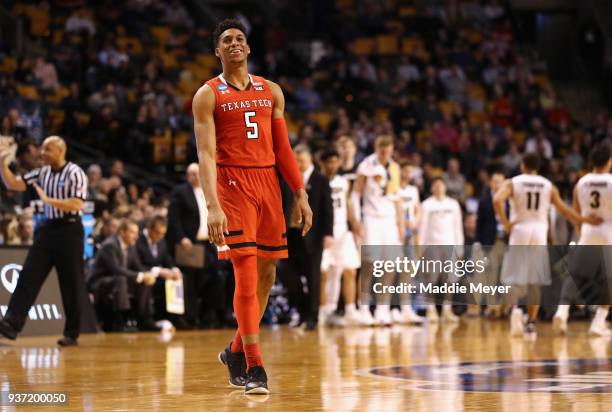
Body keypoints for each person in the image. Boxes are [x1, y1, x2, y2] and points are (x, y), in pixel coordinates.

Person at [191, 19, 312, 394]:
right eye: (225, 40)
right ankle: (255, 367)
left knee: (266, 276)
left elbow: (283, 149)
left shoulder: (271, 91)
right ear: (217, 51)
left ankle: (234, 350)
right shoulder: (207, 95)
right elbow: (207, 154)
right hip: (232, 184)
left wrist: (300, 192)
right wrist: (212, 206)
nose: (233, 44)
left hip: (268, 186)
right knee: (245, 272)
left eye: (239, 39)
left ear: (248, 47)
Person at [494, 153, 602, 337]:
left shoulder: (512, 182)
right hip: (539, 231)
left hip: (520, 229)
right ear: (538, 167)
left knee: (514, 277)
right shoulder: (547, 185)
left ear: (522, 165)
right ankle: (530, 322)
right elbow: (564, 210)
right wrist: (584, 219)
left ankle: (516, 311)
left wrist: (505, 223)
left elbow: (497, 200)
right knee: (535, 281)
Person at [0, 136, 88, 346]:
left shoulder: (75, 173)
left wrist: (50, 201)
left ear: (60, 151)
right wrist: (2, 162)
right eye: (42, 149)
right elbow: (13, 183)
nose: (42, 153)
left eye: (47, 149)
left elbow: (77, 204)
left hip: (70, 229)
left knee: (71, 283)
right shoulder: (42, 173)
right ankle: (11, 325)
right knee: (29, 275)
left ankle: (72, 333)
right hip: (48, 229)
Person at [553, 144, 611, 336]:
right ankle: (598, 322)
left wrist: (581, 230)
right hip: (608, 231)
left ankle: (562, 312)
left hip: (587, 231)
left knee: (575, 274)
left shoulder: (581, 182)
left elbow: (576, 213)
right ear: (609, 161)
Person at [166, 163, 230, 328]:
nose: (193, 177)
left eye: (196, 173)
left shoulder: (208, 191)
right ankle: (190, 318)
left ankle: (209, 316)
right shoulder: (180, 192)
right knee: (191, 282)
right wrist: (181, 238)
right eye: (190, 174)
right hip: (190, 244)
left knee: (214, 277)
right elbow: (173, 218)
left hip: (209, 243)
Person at [351, 135, 404, 326]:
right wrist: (357, 220)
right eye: (382, 150)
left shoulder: (395, 167)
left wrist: (400, 224)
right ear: (376, 148)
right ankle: (364, 308)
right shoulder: (366, 165)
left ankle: (383, 308)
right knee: (369, 264)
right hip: (371, 218)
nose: (385, 153)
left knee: (389, 266)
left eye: (388, 150)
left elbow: (396, 197)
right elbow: (356, 194)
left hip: (389, 220)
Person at [282, 145, 333, 330]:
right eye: (295, 160)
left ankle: (312, 317)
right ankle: (302, 313)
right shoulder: (288, 179)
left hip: (313, 236)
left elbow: (328, 209)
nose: (298, 163)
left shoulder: (320, 180)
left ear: (310, 159)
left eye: (301, 160)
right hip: (290, 234)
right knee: (288, 276)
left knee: (313, 278)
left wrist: (328, 234)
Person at [89, 219, 159, 332]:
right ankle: (121, 318)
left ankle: (145, 319)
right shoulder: (110, 245)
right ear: (122, 232)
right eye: (133, 233)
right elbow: (116, 269)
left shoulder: (131, 245)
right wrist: (140, 276)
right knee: (121, 279)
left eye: (137, 233)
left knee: (144, 281)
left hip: (117, 279)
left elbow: (137, 266)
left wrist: (147, 275)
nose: (136, 237)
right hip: (100, 281)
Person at [318, 148, 361, 326]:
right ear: (323, 164)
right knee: (324, 273)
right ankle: (323, 312)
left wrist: (356, 224)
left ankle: (350, 310)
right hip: (324, 230)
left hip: (343, 229)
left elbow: (349, 205)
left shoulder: (344, 182)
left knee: (350, 269)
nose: (333, 165)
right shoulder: (317, 181)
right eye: (329, 161)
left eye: (335, 161)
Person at [419, 177, 464, 323]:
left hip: (450, 244)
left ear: (445, 187)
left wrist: (460, 248)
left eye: (441, 185)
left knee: (449, 280)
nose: (438, 188)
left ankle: (447, 309)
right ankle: (431, 309)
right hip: (432, 245)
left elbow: (458, 227)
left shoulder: (453, 204)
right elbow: (422, 227)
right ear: (432, 188)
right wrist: (420, 247)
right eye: (435, 185)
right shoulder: (426, 205)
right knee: (431, 279)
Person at [135, 215, 186, 328]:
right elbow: (136, 264)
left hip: (158, 276)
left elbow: (167, 258)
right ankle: (146, 319)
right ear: (149, 229)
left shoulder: (161, 240)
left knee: (180, 277)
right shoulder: (137, 240)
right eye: (158, 233)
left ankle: (175, 316)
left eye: (163, 233)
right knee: (149, 281)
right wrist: (158, 271)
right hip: (142, 275)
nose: (161, 236)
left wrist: (174, 269)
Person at [394, 161, 425, 324]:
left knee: (407, 272)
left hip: (410, 234)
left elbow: (418, 209)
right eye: (404, 170)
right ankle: (392, 309)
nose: (407, 173)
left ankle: (406, 308)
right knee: (391, 272)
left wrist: (415, 222)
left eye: (409, 170)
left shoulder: (413, 190)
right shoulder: (394, 188)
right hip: (395, 232)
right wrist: (402, 223)